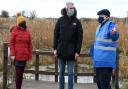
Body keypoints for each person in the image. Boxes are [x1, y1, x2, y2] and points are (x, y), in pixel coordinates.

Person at [53, 2, 83, 89]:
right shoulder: (60, 20)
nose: (71, 10)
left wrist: (77, 51)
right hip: (61, 51)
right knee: (61, 72)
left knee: (70, 73)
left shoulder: (77, 22)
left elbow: (79, 38)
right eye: (69, 8)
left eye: (72, 8)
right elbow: (55, 35)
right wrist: (55, 48)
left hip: (72, 52)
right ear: (66, 9)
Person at [92, 9, 119, 89]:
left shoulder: (110, 25)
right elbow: (97, 43)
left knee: (105, 85)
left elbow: (114, 36)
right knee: (99, 84)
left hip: (106, 62)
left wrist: (114, 33)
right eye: (99, 16)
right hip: (98, 61)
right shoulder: (98, 27)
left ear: (106, 17)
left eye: (101, 16)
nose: (99, 17)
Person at [10, 16, 32, 89]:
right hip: (17, 56)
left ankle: (19, 87)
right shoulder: (14, 31)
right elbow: (11, 43)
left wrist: (29, 57)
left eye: (23, 24)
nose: (22, 26)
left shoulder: (27, 32)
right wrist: (12, 54)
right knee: (18, 73)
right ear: (18, 24)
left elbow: (29, 44)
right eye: (20, 24)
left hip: (24, 56)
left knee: (21, 73)